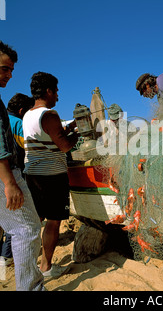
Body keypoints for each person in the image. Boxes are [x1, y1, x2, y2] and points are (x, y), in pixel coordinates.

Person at [23, 71, 78, 278]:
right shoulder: (50, 115)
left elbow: (46, 132)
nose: (57, 96)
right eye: (56, 92)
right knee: (54, 222)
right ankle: (46, 267)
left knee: (35, 221)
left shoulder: (28, 114)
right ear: (48, 91)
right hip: (52, 176)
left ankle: (28, 264)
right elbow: (64, 146)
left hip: (33, 174)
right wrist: (78, 133)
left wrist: (69, 125)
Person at [0, 40, 45, 291]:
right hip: (5, 174)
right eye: (5, 69)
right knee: (27, 230)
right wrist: (9, 182)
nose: (9, 75)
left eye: (11, 70)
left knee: (17, 229)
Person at [0, 93, 34, 267]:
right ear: (22, 111)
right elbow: (28, 147)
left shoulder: (6, 117)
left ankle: (3, 259)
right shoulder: (18, 123)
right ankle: (7, 257)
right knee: (24, 226)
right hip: (10, 175)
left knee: (6, 222)